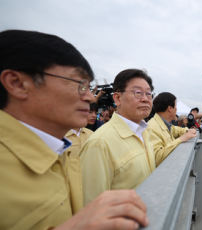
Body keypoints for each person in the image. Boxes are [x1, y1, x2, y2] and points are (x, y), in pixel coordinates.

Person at [0, 30, 148, 230]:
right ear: (17, 83)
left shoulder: (62, 152)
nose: (90, 97)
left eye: (89, 87)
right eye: (79, 84)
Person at [80, 68, 156, 205]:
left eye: (149, 94)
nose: (145, 99)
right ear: (117, 98)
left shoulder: (145, 132)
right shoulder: (99, 143)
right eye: (138, 93)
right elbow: (92, 207)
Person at [146, 92, 197, 166]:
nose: (176, 109)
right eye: (175, 106)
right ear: (170, 108)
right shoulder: (151, 128)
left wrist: (188, 130)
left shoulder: (165, 124)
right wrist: (181, 139)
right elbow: (157, 158)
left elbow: (176, 130)